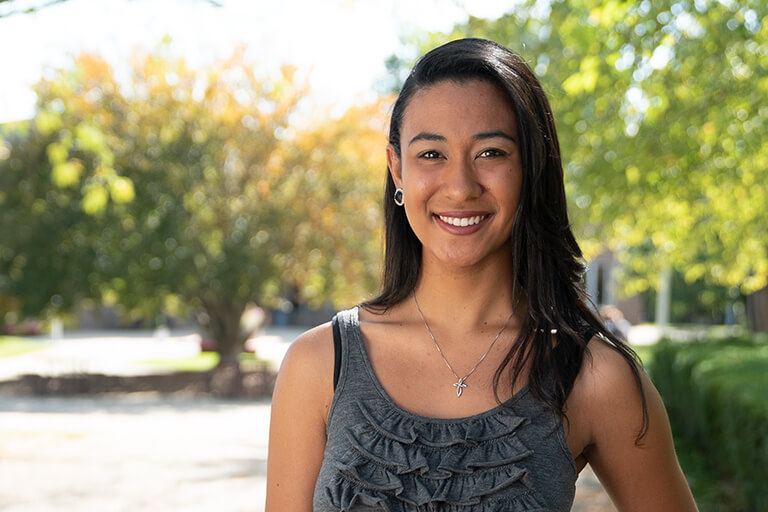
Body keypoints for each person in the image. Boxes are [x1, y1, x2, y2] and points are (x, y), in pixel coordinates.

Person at [266, 38, 697, 511]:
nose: (460, 186)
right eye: (431, 154)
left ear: (530, 166)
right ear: (397, 170)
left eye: (490, 152)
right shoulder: (318, 365)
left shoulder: (594, 377)